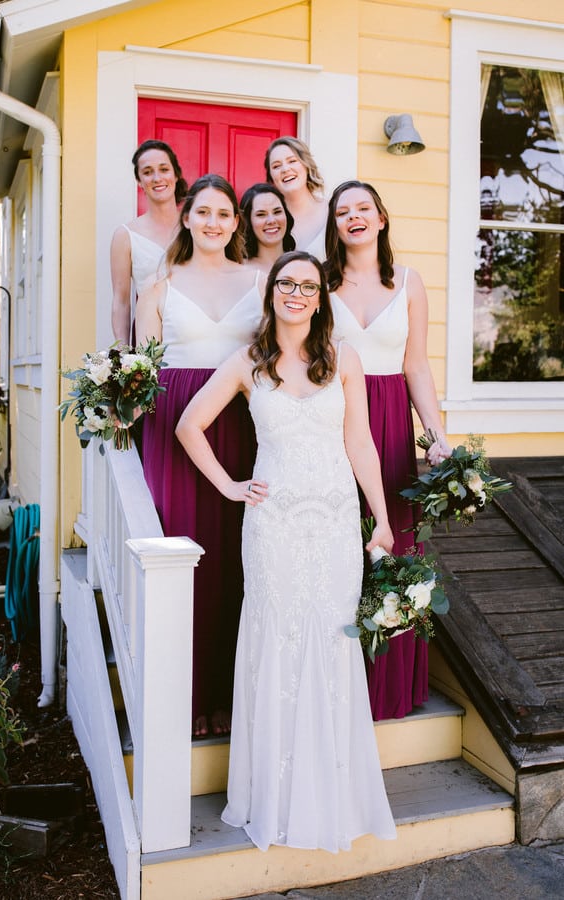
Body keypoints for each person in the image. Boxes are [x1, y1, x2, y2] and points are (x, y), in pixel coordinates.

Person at [176, 250, 397, 852]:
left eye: (307, 285)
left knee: (330, 640)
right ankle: (274, 796)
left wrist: (379, 518)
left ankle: (333, 795)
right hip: (272, 525)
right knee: (278, 639)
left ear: (321, 297)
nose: (296, 293)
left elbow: (361, 444)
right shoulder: (249, 362)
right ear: (271, 292)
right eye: (285, 283)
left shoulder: (343, 360)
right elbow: (189, 425)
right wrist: (229, 485)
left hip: (332, 522)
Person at [135, 174, 264, 738]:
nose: (214, 222)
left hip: (240, 429)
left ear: (236, 223)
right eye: (203, 212)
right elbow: (141, 374)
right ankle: (182, 699)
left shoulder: (260, 281)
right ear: (186, 218)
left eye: (224, 214)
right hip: (173, 434)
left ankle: (230, 695)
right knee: (181, 563)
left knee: (238, 565)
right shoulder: (159, 285)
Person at [325, 180, 452, 721]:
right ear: (335, 226)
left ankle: (389, 686)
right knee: (339, 546)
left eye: (363, 208)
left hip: (394, 429)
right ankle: (337, 684)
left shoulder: (409, 282)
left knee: (394, 548)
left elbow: (416, 366)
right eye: (342, 212)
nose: (353, 217)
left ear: (380, 218)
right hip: (335, 424)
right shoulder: (321, 283)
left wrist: (436, 436)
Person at [110, 139, 187, 344]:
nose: (157, 178)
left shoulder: (193, 226)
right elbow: (121, 302)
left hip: (192, 334)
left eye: (164, 169)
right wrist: (123, 353)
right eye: (147, 172)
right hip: (148, 337)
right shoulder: (125, 235)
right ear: (139, 181)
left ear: (176, 174)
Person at [264, 136, 327, 259]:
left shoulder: (332, 211)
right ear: (271, 177)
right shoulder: (269, 221)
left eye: (292, 161)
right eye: (276, 166)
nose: (285, 169)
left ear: (306, 165)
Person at [240, 182, 295, 277]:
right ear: (248, 222)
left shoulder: (302, 264)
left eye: (277, 212)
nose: (271, 220)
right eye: (261, 214)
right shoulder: (239, 270)